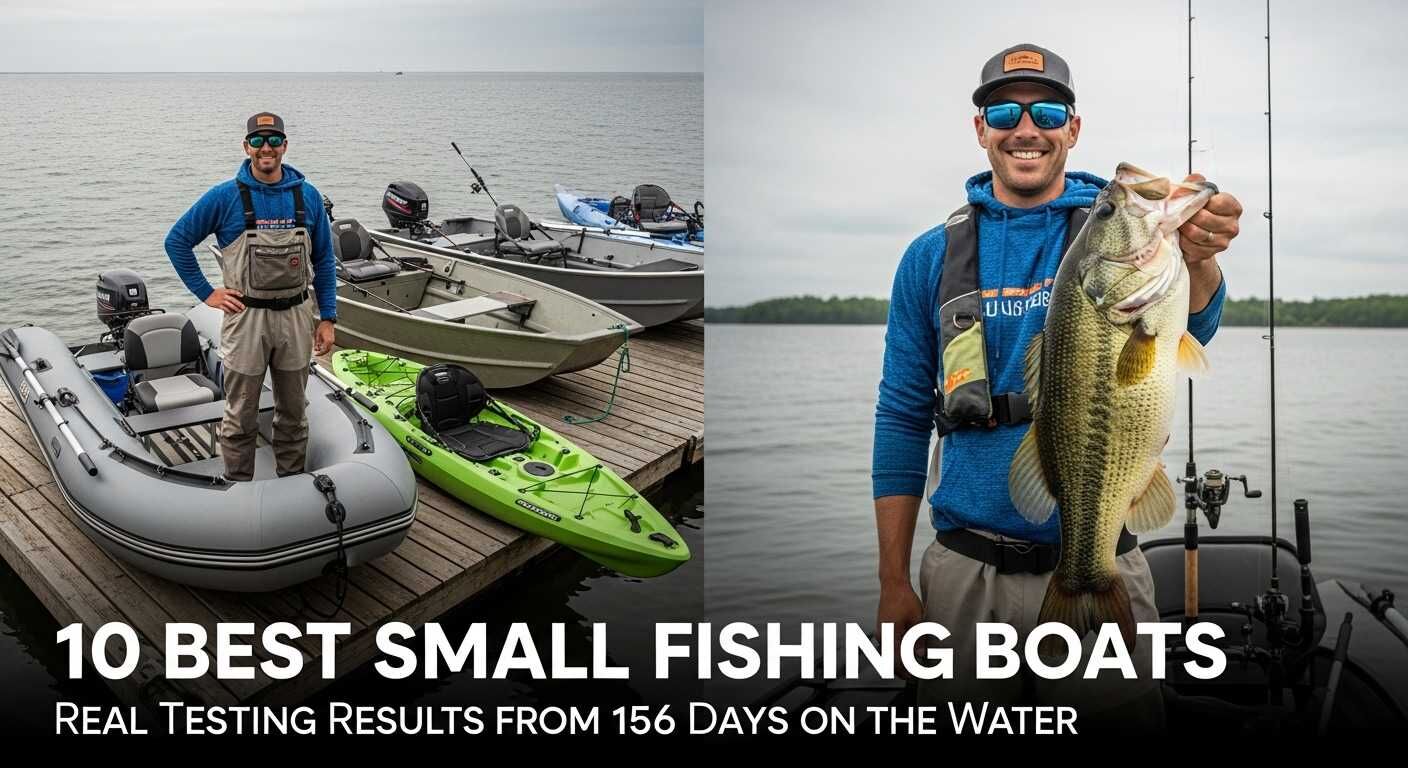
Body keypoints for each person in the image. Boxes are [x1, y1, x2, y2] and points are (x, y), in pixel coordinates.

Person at [871, 44, 1243, 730]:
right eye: (1004, 111)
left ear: (1072, 128)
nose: (1026, 128)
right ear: (979, 127)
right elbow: (899, 418)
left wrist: (1202, 258)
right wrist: (894, 583)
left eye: (1046, 111)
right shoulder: (930, 257)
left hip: (1106, 553)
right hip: (965, 572)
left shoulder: (1110, 234)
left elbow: (1198, 322)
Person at [165, 112, 338, 481]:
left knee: (294, 411)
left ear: (285, 146)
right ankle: (238, 487)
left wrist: (328, 318)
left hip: (296, 318)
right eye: (258, 141)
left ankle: (291, 484)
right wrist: (207, 293)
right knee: (240, 413)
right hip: (246, 320)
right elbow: (176, 241)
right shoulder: (224, 197)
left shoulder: (307, 196)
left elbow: (324, 259)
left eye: (274, 140)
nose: (266, 148)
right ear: (246, 147)